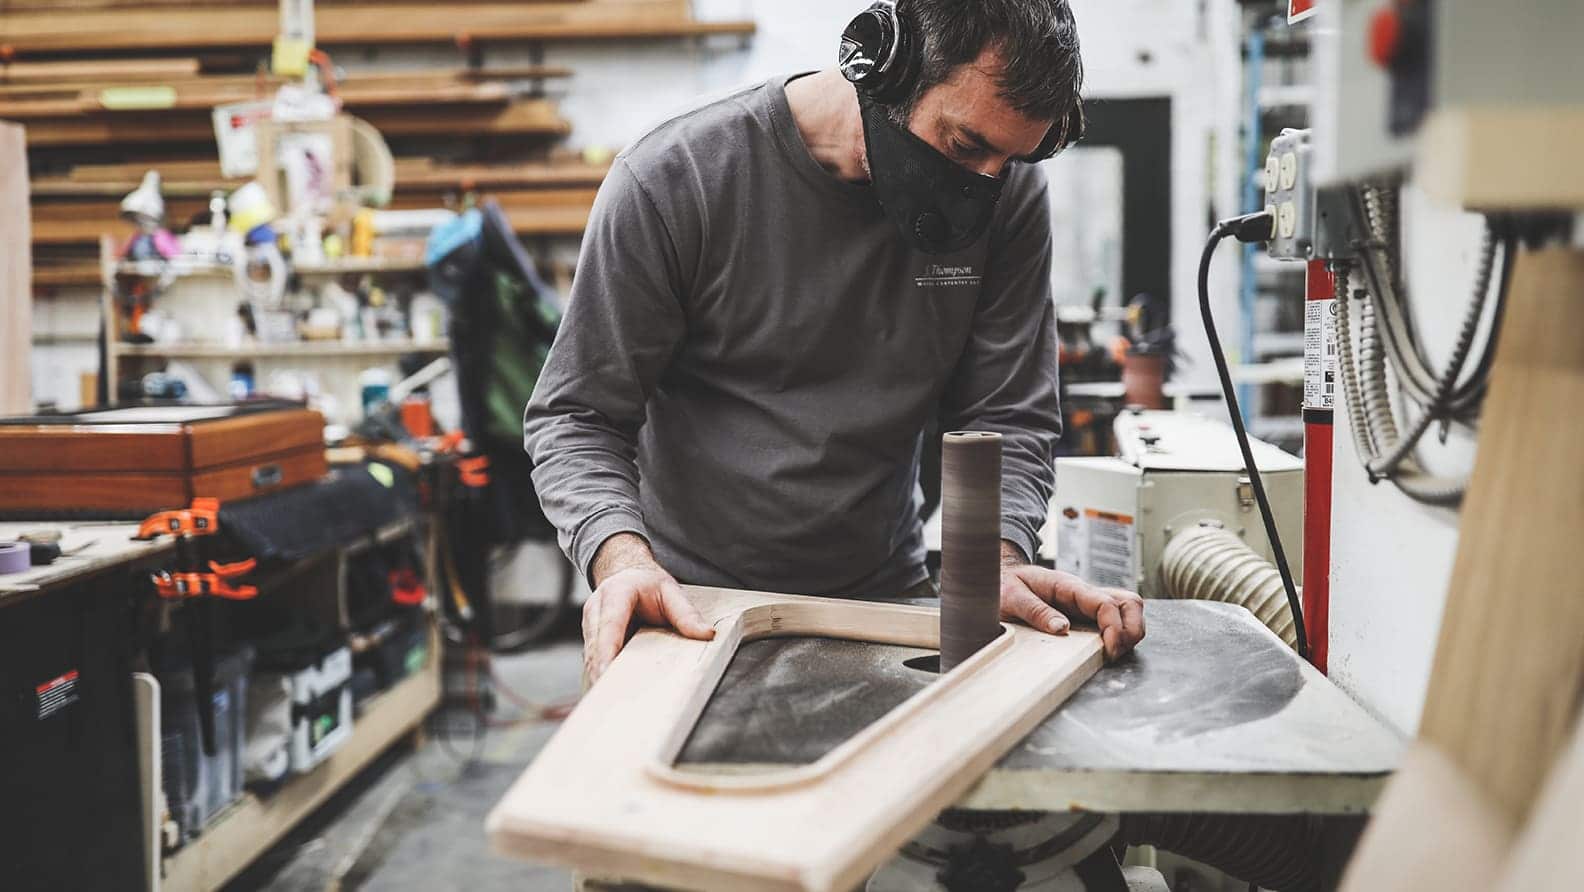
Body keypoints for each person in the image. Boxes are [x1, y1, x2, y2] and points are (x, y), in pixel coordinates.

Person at [525, 0, 1145, 685]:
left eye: (1012, 158)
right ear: (880, 65)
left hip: (886, 598)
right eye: (967, 147)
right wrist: (622, 561)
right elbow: (578, 416)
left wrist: (996, 560)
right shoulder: (676, 180)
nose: (986, 184)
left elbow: (1008, 413)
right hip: (687, 605)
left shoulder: (1007, 195)